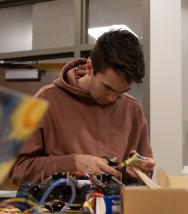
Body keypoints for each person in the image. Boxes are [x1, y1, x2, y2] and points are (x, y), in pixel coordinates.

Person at [10, 29, 155, 184]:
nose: (113, 98)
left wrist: (138, 173)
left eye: (122, 91)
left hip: (115, 207)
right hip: (59, 207)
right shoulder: (46, 100)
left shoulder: (132, 109)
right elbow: (19, 169)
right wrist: (73, 164)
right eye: (107, 88)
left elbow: (138, 180)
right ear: (90, 67)